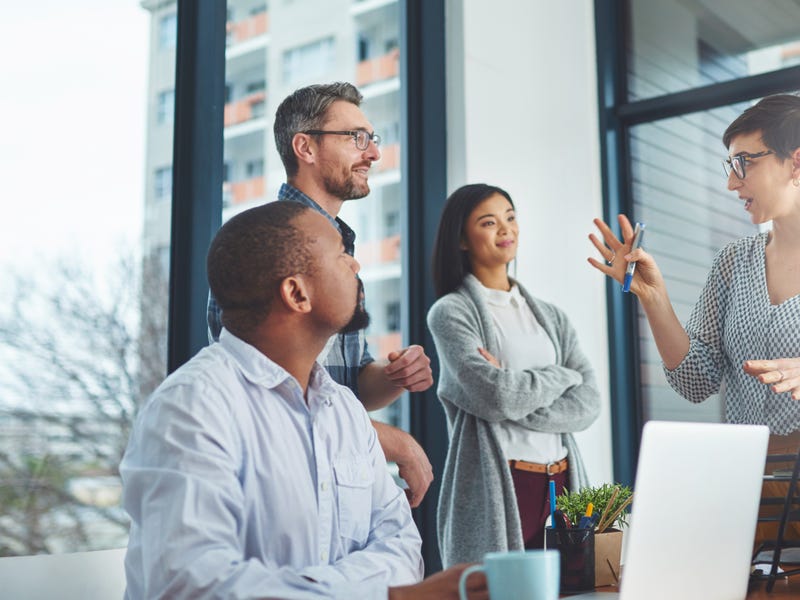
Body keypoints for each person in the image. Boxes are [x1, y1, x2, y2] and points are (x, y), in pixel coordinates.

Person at [121, 202, 487, 600]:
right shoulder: (191, 408)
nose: (356, 266)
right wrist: (389, 597)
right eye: (341, 255)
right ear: (296, 293)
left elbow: (401, 546)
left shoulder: (344, 409)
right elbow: (194, 587)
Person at [207, 82, 434, 508]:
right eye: (356, 138)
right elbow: (268, 396)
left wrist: (393, 376)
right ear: (305, 148)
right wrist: (391, 441)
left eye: (373, 139)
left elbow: (351, 384)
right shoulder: (262, 244)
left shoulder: (342, 249)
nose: (373, 153)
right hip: (285, 486)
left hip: (339, 477)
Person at [587, 93, 800, 543]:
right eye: (730, 166)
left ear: (795, 162)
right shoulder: (734, 262)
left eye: (745, 163)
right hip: (747, 491)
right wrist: (653, 297)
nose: (731, 184)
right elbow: (695, 380)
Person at [427, 183, 601, 567]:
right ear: (461, 239)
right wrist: (562, 376)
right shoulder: (451, 313)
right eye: (489, 222)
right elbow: (496, 397)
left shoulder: (551, 316)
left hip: (562, 480)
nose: (506, 229)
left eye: (510, 217)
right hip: (503, 482)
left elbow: (589, 405)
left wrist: (514, 387)